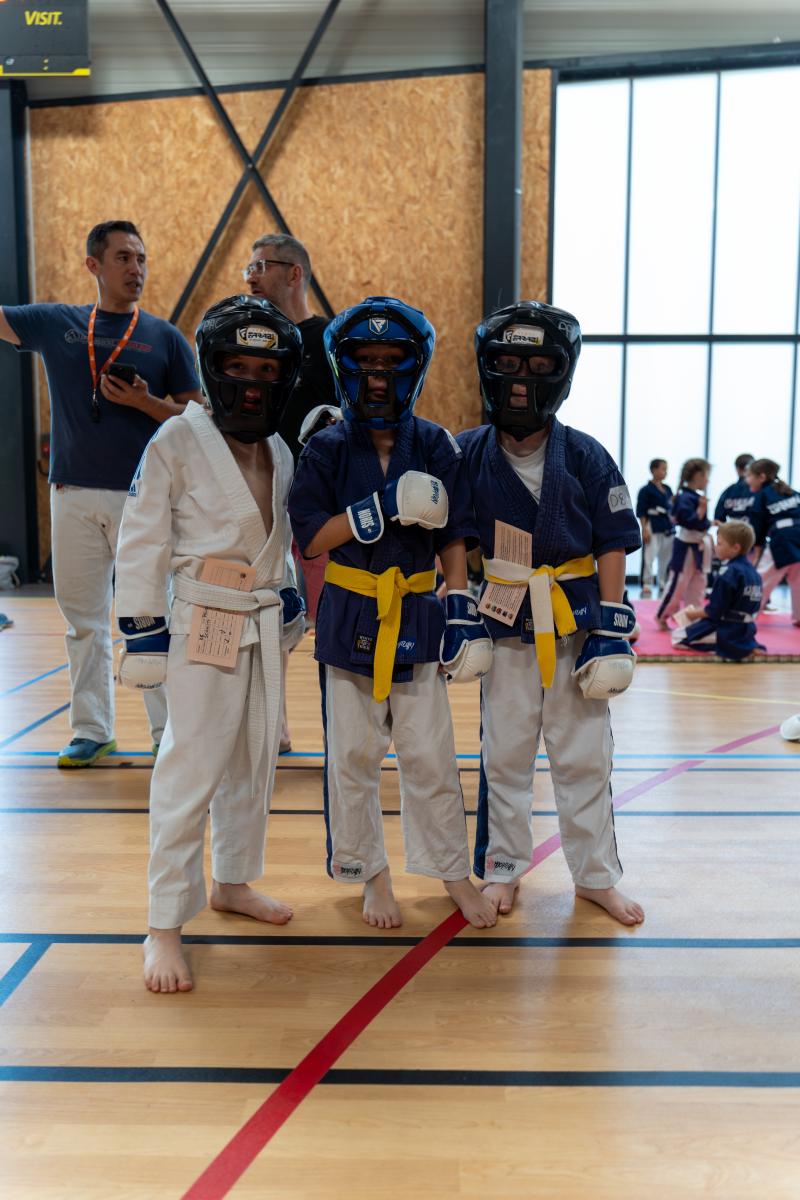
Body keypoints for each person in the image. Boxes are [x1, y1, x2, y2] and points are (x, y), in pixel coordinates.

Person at [115, 295, 305, 993]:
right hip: (204, 622)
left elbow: (278, 541)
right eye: (238, 366)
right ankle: (163, 924)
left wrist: (289, 597)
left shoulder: (279, 448)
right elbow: (141, 538)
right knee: (190, 767)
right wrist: (141, 631)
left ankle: (231, 881)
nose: (252, 382)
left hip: (259, 620)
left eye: (266, 369)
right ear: (213, 368)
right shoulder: (174, 439)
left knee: (252, 760)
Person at [288, 296, 497, 930]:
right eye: (366, 360)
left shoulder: (434, 444)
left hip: (417, 611)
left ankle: (451, 871)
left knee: (430, 753)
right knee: (352, 755)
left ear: (414, 366)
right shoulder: (325, 447)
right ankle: (369, 873)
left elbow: (453, 533)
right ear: (344, 366)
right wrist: (376, 509)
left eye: (391, 361)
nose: (378, 375)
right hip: (350, 609)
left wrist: (459, 602)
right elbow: (310, 539)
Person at [457, 301, 644, 926]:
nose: (521, 381)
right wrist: (455, 605)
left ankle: (595, 877)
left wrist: (612, 627)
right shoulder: (467, 452)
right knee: (504, 754)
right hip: (504, 620)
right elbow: (450, 536)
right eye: (508, 365)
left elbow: (613, 540)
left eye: (537, 367)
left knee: (584, 755)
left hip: (576, 623)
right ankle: (503, 868)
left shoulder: (586, 453)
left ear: (561, 374)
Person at [0, 220, 201, 766]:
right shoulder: (57, 323)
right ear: (94, 265)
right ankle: (92, 730)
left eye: (141, 258)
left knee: (150, 615)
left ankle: (168, 734)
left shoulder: (164, 336)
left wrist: (145, 403)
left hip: (145, 499)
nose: (136, 269)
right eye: (123, 258)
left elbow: (198, 417)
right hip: (72, 496)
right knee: (82, 619)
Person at [244, 233, 337, 741]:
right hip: (261, 505)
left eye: (262, 266)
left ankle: (340, 736)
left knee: (330, 622)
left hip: (320, 510)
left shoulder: (329, 341)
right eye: (249, 268)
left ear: (295, 273)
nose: (252, 277)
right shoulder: (255, 343)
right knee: (265, 618)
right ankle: (270, 731)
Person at [670, 521, 764, 659]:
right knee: (691, 627)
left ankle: (738, 648)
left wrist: (691, 614)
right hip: (748, 629)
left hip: (727, 629)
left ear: (735, 548)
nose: (715, 547)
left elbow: (714, 611)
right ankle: (747, 643)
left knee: (678, 637)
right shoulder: (754, 573)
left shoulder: (729, 573)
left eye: (720, 544)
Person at [655, 458, 713, 630]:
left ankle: (690, 619)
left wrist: (709, 521)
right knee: (678, 582)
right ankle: (661, 616)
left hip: (698, 545)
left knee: (698, 584)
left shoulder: (693, 496)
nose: (708, 480)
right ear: (698, 475)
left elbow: (699, 523)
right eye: (706, 476)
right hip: (686, 546)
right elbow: (688, 521)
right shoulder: (685, 497)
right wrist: (701, 510)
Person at [746, 458, 800, 625]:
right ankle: (799, 616)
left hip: (783, 538)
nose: (747, 480)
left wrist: (757, 550)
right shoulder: (791, 492)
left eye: (750, 476)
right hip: (797, 535)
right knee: (798, 579)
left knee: (761, 579)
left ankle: (745, 613)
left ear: (761, 477)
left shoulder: (762, 495)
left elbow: (757, 525)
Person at [635, 458, 673, 596]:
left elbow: (672, 507)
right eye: (663, 469)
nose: (665, 472)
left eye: (666, 469)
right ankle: (647, 583)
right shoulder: (645, 490)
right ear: (653, 470)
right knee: (649, 556)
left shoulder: (668, 489)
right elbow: (641, 511)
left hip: (667, 525)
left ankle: (663, 582)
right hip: (652, 523)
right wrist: (644, 529)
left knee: (666, 557)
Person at [713, 453, 755, 524]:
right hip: (756, 530)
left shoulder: (728, 491)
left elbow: (718, 519)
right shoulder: (761, 490)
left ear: (737, 469)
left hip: (734, 530)